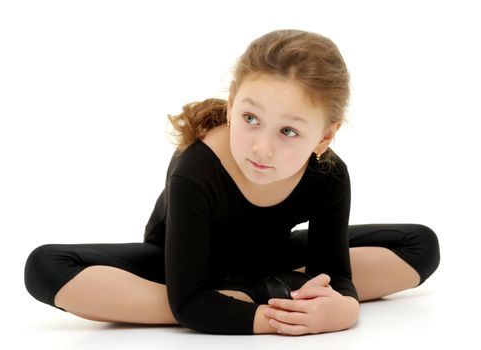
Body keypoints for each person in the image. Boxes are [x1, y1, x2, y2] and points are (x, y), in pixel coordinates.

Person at [24, 29, 440, 336]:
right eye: (250, 119)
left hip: (270, 259)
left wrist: (345, 308)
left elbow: (335, 273)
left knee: (420, 246)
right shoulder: (197, 169)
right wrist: (265, 319)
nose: (262, 148)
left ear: (325, 137)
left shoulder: (329, 175)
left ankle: (247, 291)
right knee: (45, 267)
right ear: (233, 100)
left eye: (289, 132)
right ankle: (273, 296)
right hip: (179, 268)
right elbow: (186, 302)